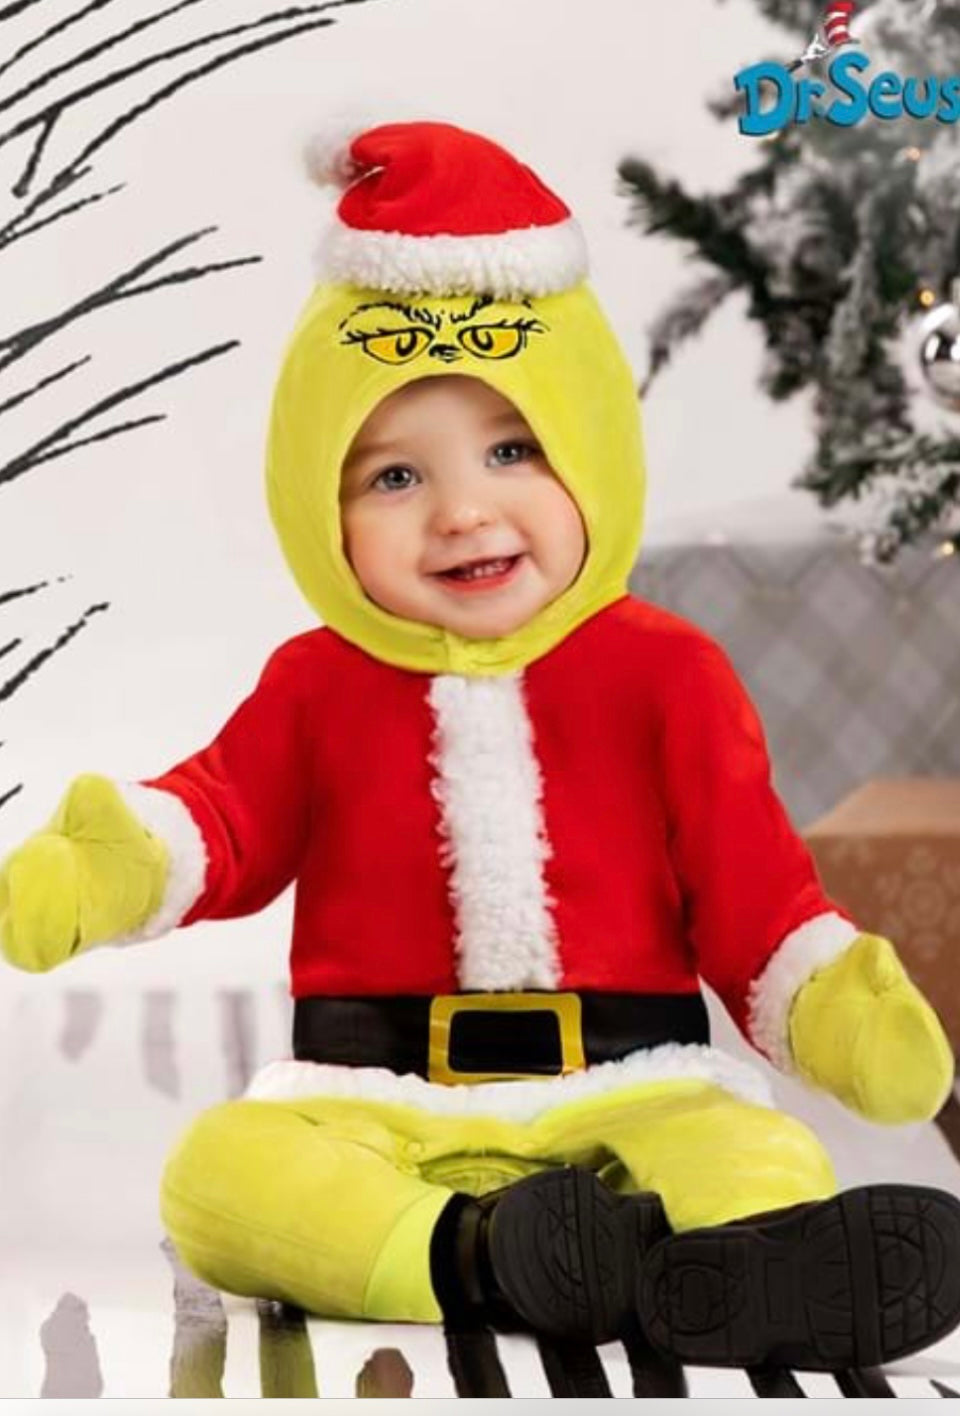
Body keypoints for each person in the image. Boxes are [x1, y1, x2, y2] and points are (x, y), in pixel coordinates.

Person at [1, 120, 959, 1371]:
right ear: (315, 503)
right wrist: (107, 863)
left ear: (594, 450)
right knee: (224, 1179)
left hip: (633, 1080)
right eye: (394, 478)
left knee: (749, 1149)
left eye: (514, 450)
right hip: (378, 1102)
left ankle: (730, 1262)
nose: (462, 511)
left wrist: (832, 1003)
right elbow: (218, 819)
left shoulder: (666, 672)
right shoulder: (317, 685)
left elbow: (752, 892)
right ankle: (485, 1255)